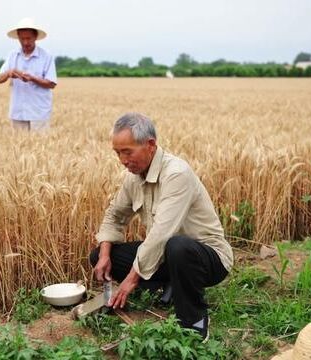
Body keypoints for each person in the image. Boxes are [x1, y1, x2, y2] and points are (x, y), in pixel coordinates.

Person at [90, 112, 234, 341]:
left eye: (128, 151)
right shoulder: (133, 177)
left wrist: (131, 280)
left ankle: (195, 323)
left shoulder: (176, 174)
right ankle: (169, 286)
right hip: (166, 255)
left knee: (177, 246)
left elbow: (160, 235)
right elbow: (114, 215)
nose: (123, 160)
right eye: (118, 153)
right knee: (100, 254)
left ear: (150, 145)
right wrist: (105, 253)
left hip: (207, 257)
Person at [0, 17, 57, 132]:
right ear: (18, 37)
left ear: (35, 37)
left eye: (29, 38)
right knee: (18, 147)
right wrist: (9, 73)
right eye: (22, 39)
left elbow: (51, 83)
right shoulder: (12, 56)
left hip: (39, 113)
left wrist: (32, 78)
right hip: (18, 112)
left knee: (41, 147)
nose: (25, 42)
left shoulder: (46, 56)